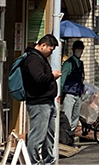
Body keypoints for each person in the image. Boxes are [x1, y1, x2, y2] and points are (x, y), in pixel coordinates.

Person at [22, 34, 61, 164]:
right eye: (51, 49)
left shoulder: (40, 58)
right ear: (43, 45)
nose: (51, 52)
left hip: (47, 102)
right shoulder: (33, 59)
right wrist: (52, 76)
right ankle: (32, 162)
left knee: (49, 136)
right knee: (37, 136)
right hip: (38, 103)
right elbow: (38, 78)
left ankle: (48, 160)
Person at [60, 40, 86, 142]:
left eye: (81, 49)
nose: (79, 51)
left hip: (78, 93)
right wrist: (60, 94)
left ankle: (70, 135)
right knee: (67, 116)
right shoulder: (68, 63)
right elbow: (62, 80)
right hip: (69, 93)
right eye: (78, 49)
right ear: (73, 50)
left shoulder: (81, 63)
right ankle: (65, 138)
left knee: (75, 116)